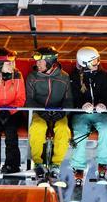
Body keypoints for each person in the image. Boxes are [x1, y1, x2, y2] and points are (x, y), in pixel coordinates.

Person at [26, 46, 73, 181]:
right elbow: (29, 100)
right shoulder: (32, 77)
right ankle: (38, 162)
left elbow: (69, 100)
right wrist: (41, 111)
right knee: (38, 127)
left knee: (63, 129)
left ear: (50, 62)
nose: (37, 64)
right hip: (38, 113)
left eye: (40, 61)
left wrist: (63, 112)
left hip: (59, 113)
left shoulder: (64, 77)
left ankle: (56, 164)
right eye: (37, 61)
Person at [69, 47, 107, 186]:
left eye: (97, 60)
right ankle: (78, 167)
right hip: (81, 113)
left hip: (99, 113)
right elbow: (72, 95)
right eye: (94, 61)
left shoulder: (103, 75)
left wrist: (103, 104)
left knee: (105, 130)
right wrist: (82, 105)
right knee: (80, 133)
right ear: (84, 63)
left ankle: (103, 164)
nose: (97, 63)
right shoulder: (74, 77)